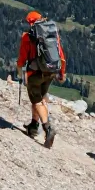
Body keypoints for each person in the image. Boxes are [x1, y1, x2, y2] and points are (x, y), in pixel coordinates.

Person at [16, 10, 66, 148]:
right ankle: (33, 126)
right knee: (40, 97)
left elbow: (21, 60)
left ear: (30, 22)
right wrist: (62, 73)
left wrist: (20, 73)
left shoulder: (27, 37)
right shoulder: (52, 34)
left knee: (37, 101)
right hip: (50, 72)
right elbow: (61, 55)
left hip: (35, 74)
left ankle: (48, 128)